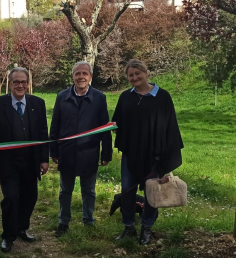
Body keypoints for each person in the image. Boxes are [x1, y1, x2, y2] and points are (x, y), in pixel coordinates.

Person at [112, 60, 183, 245]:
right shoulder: (125, 97)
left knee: (152, 192)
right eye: (130, 75)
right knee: (127, 191)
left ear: (146, 73)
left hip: (154, 156)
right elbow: (117, 122)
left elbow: (171, 127)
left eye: (137, 73)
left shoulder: (163, 97)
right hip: (131, 154)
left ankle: (147, 228)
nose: (134, 78)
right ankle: (128, 226)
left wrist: (167, 159)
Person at [0, 67, 49, 253]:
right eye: (16, 82)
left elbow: (43, 133)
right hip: (7, 162)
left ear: (28, 83)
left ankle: (22, 228)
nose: (20, 85)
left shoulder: (38, 103)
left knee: (30, 197)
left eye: (23, 82)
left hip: (31, 161)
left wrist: (44, 159)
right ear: (10, 84)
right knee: (11, 198)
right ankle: (8, 235)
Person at [50, 61, 112, 237]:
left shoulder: (99, 97)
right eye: (77, 73)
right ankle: (63, 223)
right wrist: (53, 151)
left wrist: (106, 152)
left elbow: (105, 127)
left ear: (90, 77)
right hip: (66, 152)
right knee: (65, 191)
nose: (81, 77)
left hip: (89, 152)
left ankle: (89, 221)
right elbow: (55, 126)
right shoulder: (62, 96)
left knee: (89, 191)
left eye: (85, 73)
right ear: (72, 76)